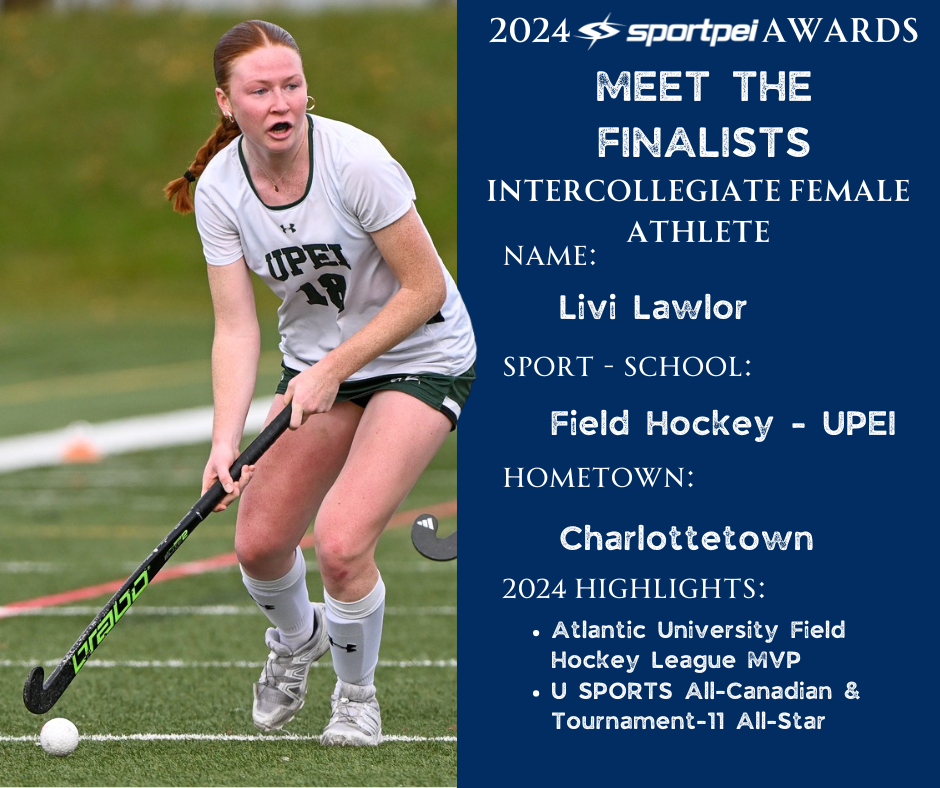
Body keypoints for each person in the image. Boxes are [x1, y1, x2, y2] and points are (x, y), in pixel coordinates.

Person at [164, 19, 474, 746]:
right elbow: (236, 328)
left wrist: (335, 370)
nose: (281, 102)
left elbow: (425, 287)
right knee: (261, 544)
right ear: (225, 102)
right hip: (318, 366)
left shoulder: (356, 161)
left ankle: (356, 698)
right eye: (260, 89)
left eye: (292, 85)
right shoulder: (220, 190)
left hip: (421, 355)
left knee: (339, 542)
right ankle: (297, 641)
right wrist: (222, 442)